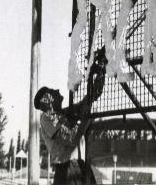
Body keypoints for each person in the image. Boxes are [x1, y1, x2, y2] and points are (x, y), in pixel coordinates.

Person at [35, 55, 105, 185]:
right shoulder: (47, 117)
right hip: (67, 168)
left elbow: (92, 97)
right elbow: (71, 137)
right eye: (52, 91)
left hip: (80, 165)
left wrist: (101, 71)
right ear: (46, 100)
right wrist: (84, 119)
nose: (57, 90)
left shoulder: (63, 113)